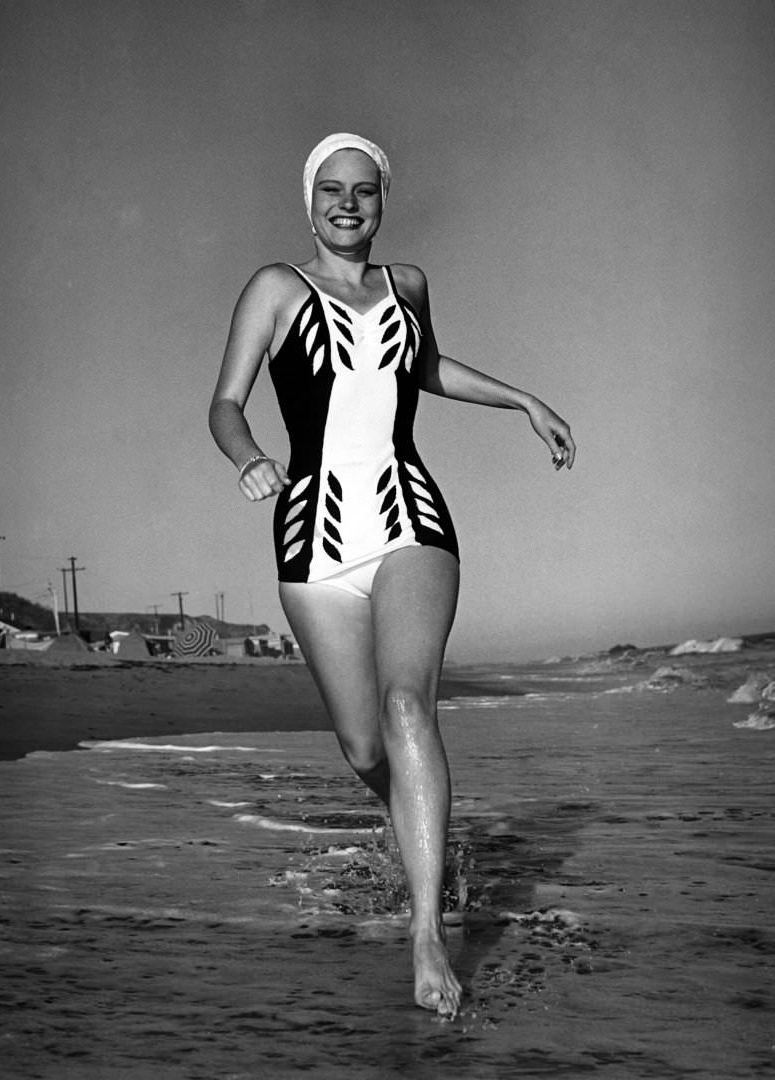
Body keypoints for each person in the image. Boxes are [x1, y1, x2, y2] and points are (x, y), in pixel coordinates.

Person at [209, 132, 575, 1020]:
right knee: (365, 748)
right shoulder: (274, 287)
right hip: (311, 543)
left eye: (364, 191)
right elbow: (224, 402)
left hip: (410, 519)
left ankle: (425, 933)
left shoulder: (407, 285)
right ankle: (419, 818)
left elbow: (426, 368)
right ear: (309, 200)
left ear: (382, 201)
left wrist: (523, 397)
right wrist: (249, 457)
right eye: (331, 190)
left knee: (409, 705)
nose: (347, 204)